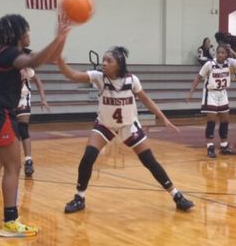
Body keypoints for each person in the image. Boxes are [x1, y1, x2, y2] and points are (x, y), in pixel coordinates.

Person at [0, 14, 70, 238]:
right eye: (27, 29)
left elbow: (45, 58)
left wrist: (61, 38)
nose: (29, 33)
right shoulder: (10, 54)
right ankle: (11, 221)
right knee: (13, 167)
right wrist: (58, 37)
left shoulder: (10, 53)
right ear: (18, 33)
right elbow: (34, 62)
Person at [57, 46, 194, 214]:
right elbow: (72, 75)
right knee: (88, 157)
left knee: (149, 161)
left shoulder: (132, 80)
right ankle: (79, 198)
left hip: (128, 125)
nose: (104, 64)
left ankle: (177, 196)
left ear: (119, 64)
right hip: (105, 124)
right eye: (103, 60)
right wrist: (61, 62)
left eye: (109, 61)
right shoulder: (99, 78)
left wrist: (163, 118)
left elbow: (146, 99)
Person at [186, 35, 236, 158]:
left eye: (223, 53)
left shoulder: (229, 62)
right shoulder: (209, 64)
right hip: (211, 94)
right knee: (211, 120)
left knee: (225, 120)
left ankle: (224, 146)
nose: (220, 55)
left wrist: (234, 52)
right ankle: (210, 147)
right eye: (219, 52)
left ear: (226, 54)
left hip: (223, 93)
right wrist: (191, 92)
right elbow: (198, 77)